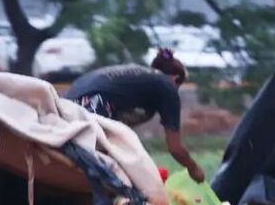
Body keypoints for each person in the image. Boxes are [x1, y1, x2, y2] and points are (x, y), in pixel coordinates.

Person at [65, 48, 205, 183]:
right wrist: (194, 169)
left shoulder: (139, 78)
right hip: (93, 104)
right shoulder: (167, 86)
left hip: (67, 104)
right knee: (117, 174)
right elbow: (175, 148)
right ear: (175, 78)